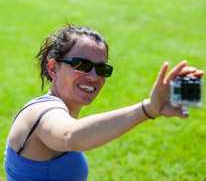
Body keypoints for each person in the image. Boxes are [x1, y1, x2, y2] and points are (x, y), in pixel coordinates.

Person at [4, 25, 204, 181]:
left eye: (102, 70)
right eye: (81, 65)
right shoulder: (41, 110)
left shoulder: (61, 112)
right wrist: (148, 109)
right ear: (54, 69)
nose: (93, 76)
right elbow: (70, 137)